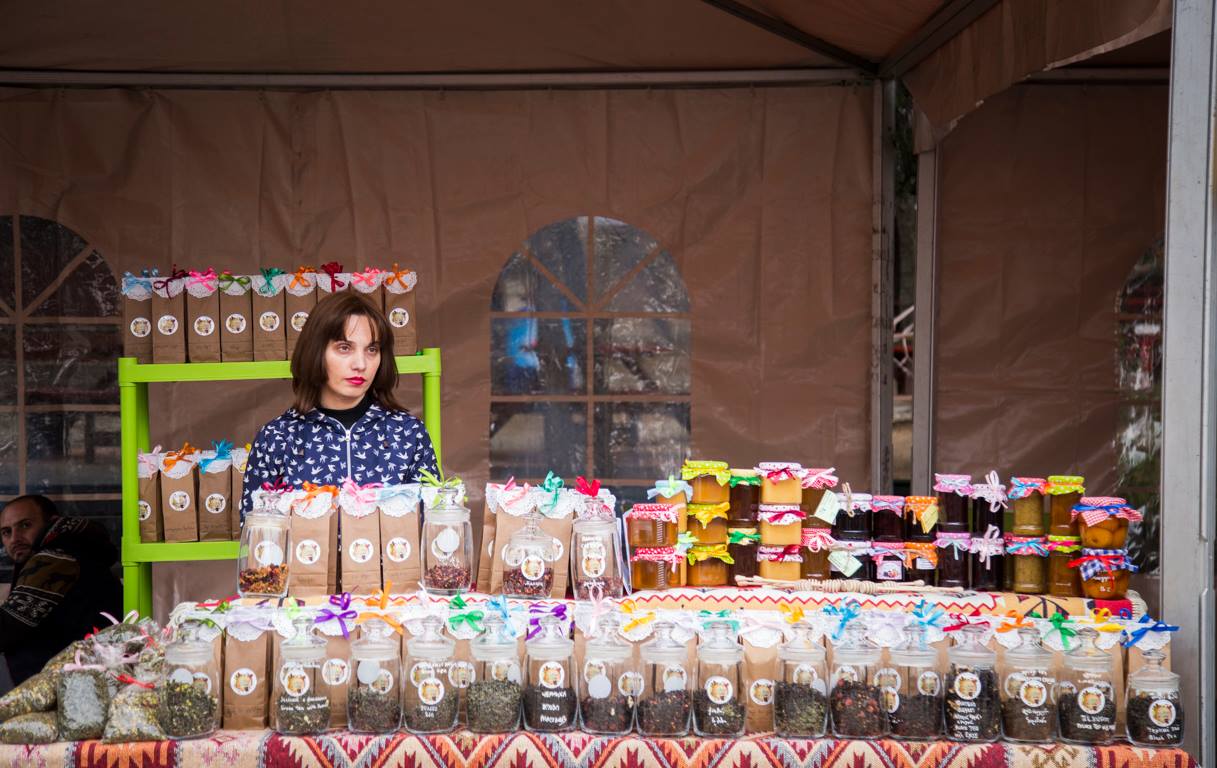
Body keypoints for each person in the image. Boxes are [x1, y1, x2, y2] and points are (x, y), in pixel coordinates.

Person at [241, 291, 438, 514]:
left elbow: (433, 525)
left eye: (372, 349)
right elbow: (255, 531)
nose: (360, 364)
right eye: (344, 348)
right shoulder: (276, 438)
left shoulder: (409, 433)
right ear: (315, 352)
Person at [0, 495, 122, 684]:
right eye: (7, 532)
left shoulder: (56, 558)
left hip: (77, 687)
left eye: (25, 525)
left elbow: (7, 628)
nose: (15, 538)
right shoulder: (74, 551)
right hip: (87, 681)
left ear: (52, 522)